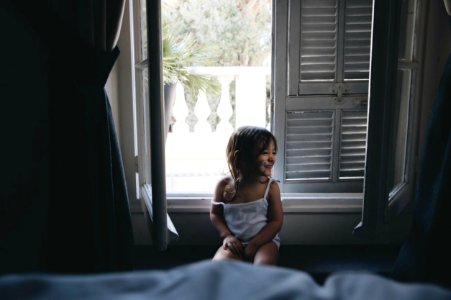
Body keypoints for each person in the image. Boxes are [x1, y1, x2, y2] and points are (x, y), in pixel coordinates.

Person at [210, 126, 283, 265]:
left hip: (264, 242)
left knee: (263, 267)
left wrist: (255, 244)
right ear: (242, 157)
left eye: (274, 152)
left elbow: (276, 222)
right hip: (234, 243)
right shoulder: (223, 185)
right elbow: (215, 214)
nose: (271, 157)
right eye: (265, 152)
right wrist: (227, 236)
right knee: (217, 268)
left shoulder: (271, 187)